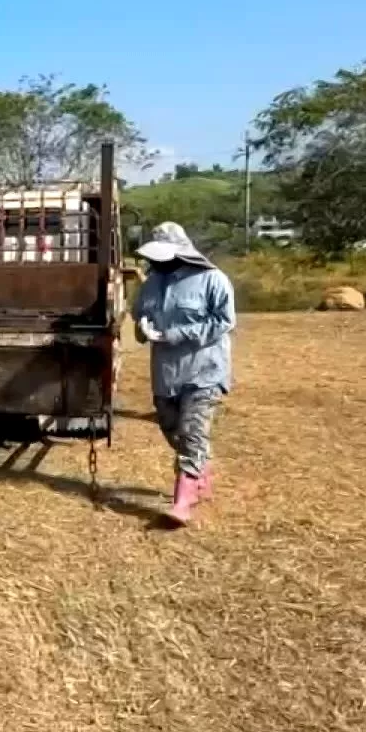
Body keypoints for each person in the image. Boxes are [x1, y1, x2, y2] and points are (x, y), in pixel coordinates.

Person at [130, 222, 236, 526]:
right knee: (171, 427)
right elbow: (139, 320)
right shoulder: (150, 283)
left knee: (191, 431)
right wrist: (143, 329)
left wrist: (175, 334)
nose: (159, 261)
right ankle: (200, 472)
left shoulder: (212, 279)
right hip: (165, 374)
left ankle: (183, 501)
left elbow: (224, 322)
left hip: (204, 370)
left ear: (182, 252)